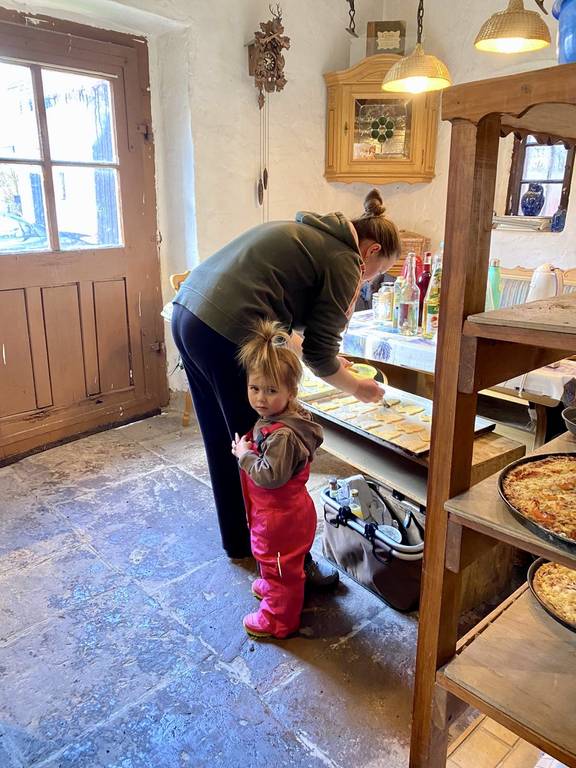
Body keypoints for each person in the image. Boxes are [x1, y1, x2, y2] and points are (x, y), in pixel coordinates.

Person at [171, 188, 401, 575]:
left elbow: (291, 324)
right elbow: (318, 355)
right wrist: (357, 387)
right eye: (377, 272)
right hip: (225, 329)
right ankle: (288, 564)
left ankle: (238, 542)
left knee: (228, 440)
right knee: (268, 447)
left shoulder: (311, 235)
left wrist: (332, 360)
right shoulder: (346, 260)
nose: (369, 280)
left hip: (188, 314)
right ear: (371, 251)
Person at [232, 319, 323, 638]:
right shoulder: (277, 417)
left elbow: (270, 476)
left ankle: (279, 619)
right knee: (277, 564)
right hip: (280, 514)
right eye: (254, 388)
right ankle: (274, 584)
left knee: (280, 567)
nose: (261, 398)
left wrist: (244, 455)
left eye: (271, 390)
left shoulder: (282, 435)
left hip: (280, 521)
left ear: (290, 391)